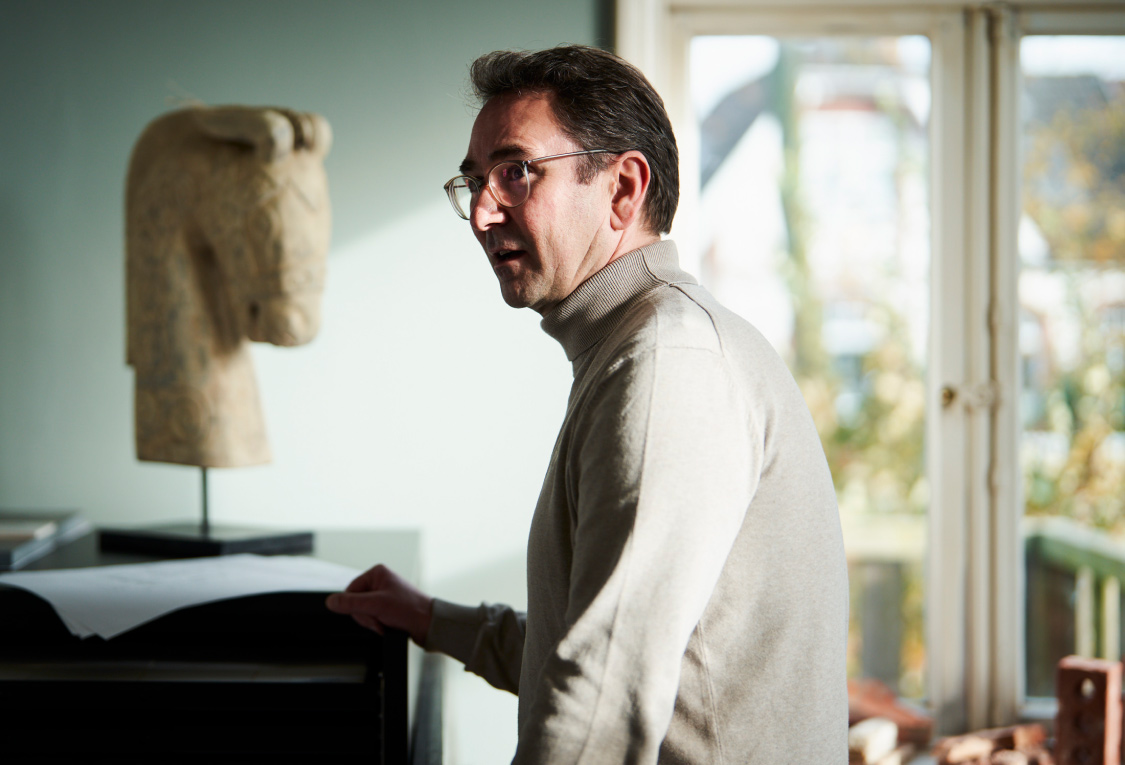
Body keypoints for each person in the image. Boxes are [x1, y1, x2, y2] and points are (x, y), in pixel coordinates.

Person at [327, 44, 849, 763]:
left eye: (515, 171)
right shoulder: (638, 347)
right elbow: (584, 642)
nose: (480, 212)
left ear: (622, 188)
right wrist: (428, 617)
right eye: (473, 181)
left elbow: (603, 696)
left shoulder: (668, 362)